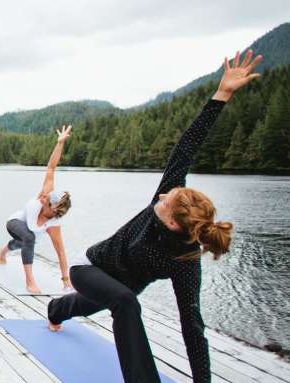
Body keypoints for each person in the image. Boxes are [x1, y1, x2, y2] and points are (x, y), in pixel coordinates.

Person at [46, 50, 262, 383]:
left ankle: (56, 310)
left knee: (88, 304)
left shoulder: (186, 260)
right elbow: (188, 145)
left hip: (117, 286)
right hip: (88, 266)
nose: (160, 197)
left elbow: (193, 327)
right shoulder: (169, 194)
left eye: (164, 201)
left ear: (173, 223)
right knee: (125, 302)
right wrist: (222, 95)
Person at [0, 125, 73, 293]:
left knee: (22, 242)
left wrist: (66, 281)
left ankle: (3, 252)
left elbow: (61, 252)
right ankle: (30, 282)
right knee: (29, 237)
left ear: (53, 209)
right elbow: (51, 167)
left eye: (47, 200)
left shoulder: (54, 225)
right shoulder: (46, 192)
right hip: (14, 222)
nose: (44, 196)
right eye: (47, 195)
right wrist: (60, 143)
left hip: (28, 237)